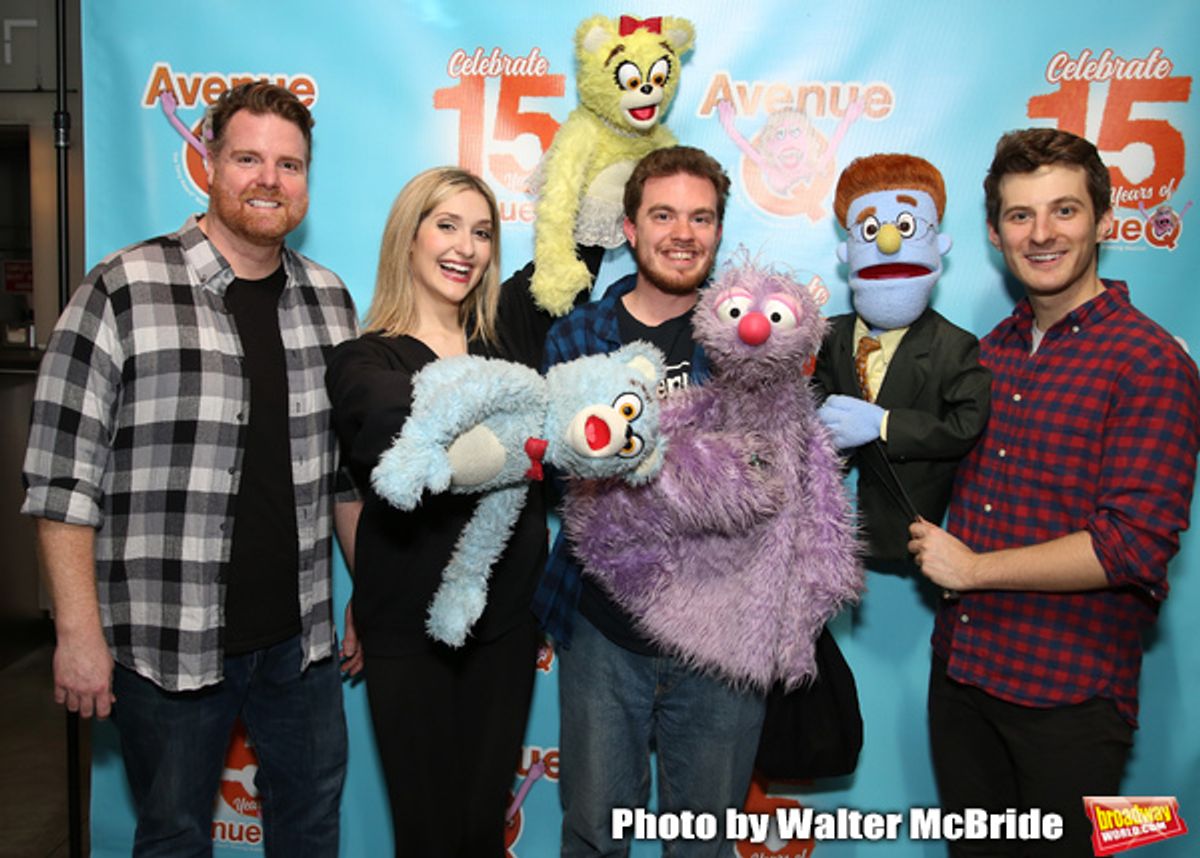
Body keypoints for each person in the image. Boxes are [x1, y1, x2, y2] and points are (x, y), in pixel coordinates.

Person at [21, 81, 357, 856]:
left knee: (311, 833)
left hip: (300, 648)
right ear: (207, 163)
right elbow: (60, 477)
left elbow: (346, 476)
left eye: (289, 164)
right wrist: (76, 632)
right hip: (167, 647)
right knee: (172, 837)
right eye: (248, 158)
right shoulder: (122, 288)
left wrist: (365, 590)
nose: (269, 179)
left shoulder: (331, 303)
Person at [908, 128, 1200, 857]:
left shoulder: (1149, 362)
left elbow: (1130, 545)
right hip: (963, 681)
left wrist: (973, 569)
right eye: (1019, 215)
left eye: (1064, 211)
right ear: (993, 232)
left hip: (1065, 701)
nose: (1041, 234)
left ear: (1103, 221)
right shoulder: (987, 353)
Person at [535, 146, 766, 857]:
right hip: (606, 629)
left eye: (701, 217)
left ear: (720, 232)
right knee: (595, 837)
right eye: (663, 214)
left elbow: (770, 478)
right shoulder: (574, 338)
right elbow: (553, 475)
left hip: (722, 634)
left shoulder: (753, 338)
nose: (683, 233)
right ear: (630, 228)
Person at [324, 167, 545, 857]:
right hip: (408, 630)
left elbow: (578, 242)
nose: (466, 246)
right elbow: (369, 465)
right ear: (409, 238)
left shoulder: (507, 335)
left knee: (482, 829)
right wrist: (368, 589)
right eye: (446, 225)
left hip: (505, 625)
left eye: (481, 231)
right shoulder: (365, 357)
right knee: (427, 833)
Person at [814, 153, 990, 563]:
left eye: (906, 227)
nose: (888, 242)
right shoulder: (830, 335)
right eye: (871, 230)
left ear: (939, 244)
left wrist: (884, 424)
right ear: (847, 251)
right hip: (825, 539)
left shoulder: (954, 346)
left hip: (910, 541)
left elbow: (965, 426)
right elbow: (813, 394)